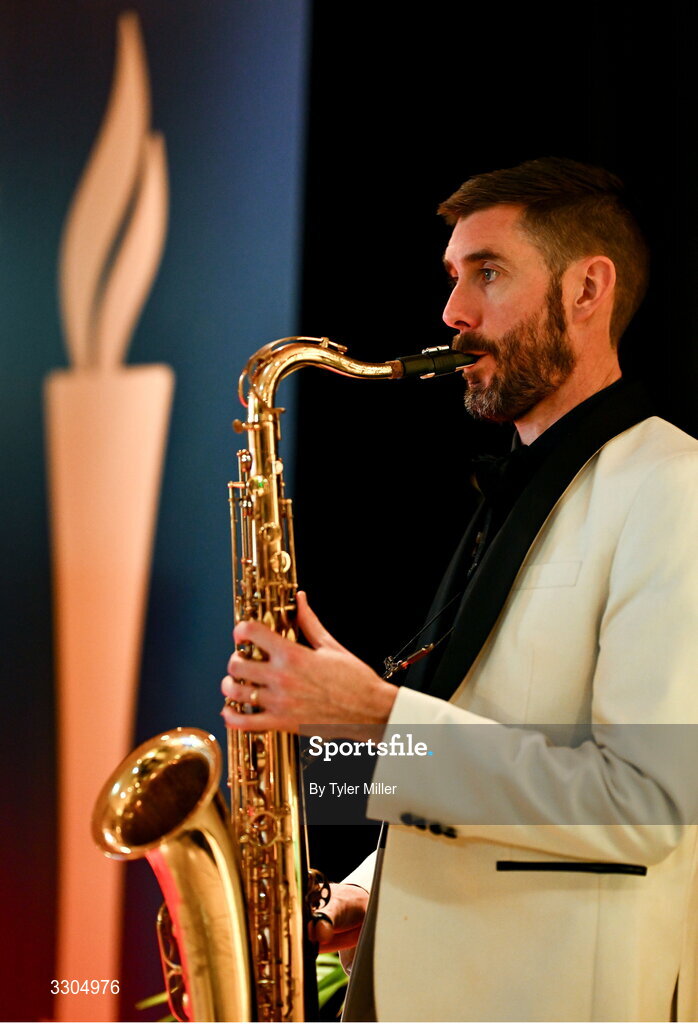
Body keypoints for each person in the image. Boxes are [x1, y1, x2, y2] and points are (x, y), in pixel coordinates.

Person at [221, 157, 698, 1022]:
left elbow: (648, 804)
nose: (452, 314)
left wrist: (375, 716)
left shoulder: (673, 487)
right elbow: (491, 736)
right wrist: (380, 884)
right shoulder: (517, 486)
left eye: (488, 273)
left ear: (587, 288)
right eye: (452, 277)